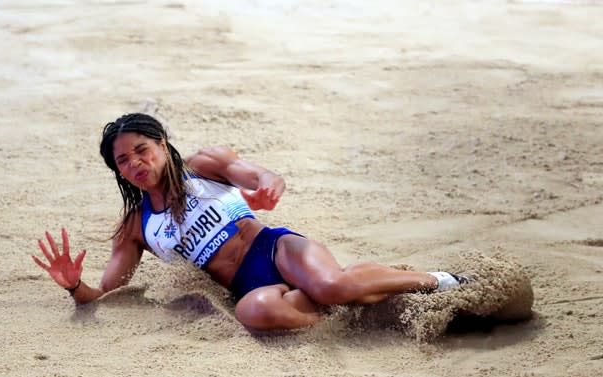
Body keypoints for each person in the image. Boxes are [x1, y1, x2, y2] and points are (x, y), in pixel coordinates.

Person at [33, 113, 468, 330]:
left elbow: (259, 175)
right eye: (123, 161)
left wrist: (265, 189)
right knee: (254, 314)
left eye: (142, 150)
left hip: (277, 249)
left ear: (163, 145)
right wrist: (75, 285)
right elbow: (107, 288)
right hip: (251, 286)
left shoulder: (203, 166)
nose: (135, 163)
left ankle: (440, 279)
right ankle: (356, 290)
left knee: (332, 286)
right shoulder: (135, 226)